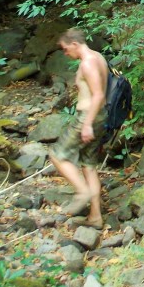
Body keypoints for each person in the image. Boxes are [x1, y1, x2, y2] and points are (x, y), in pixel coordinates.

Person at [49, 28, 109, 228]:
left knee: (57, 155)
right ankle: (95, 217)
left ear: (75, 44)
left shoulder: (88, 62)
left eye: (66, 49)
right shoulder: (98, 57)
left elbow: (98, 94)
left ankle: (82, 191)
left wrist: (87, 125)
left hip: (88, 116)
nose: (66, 53)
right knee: (88, 165)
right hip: (99, 115)